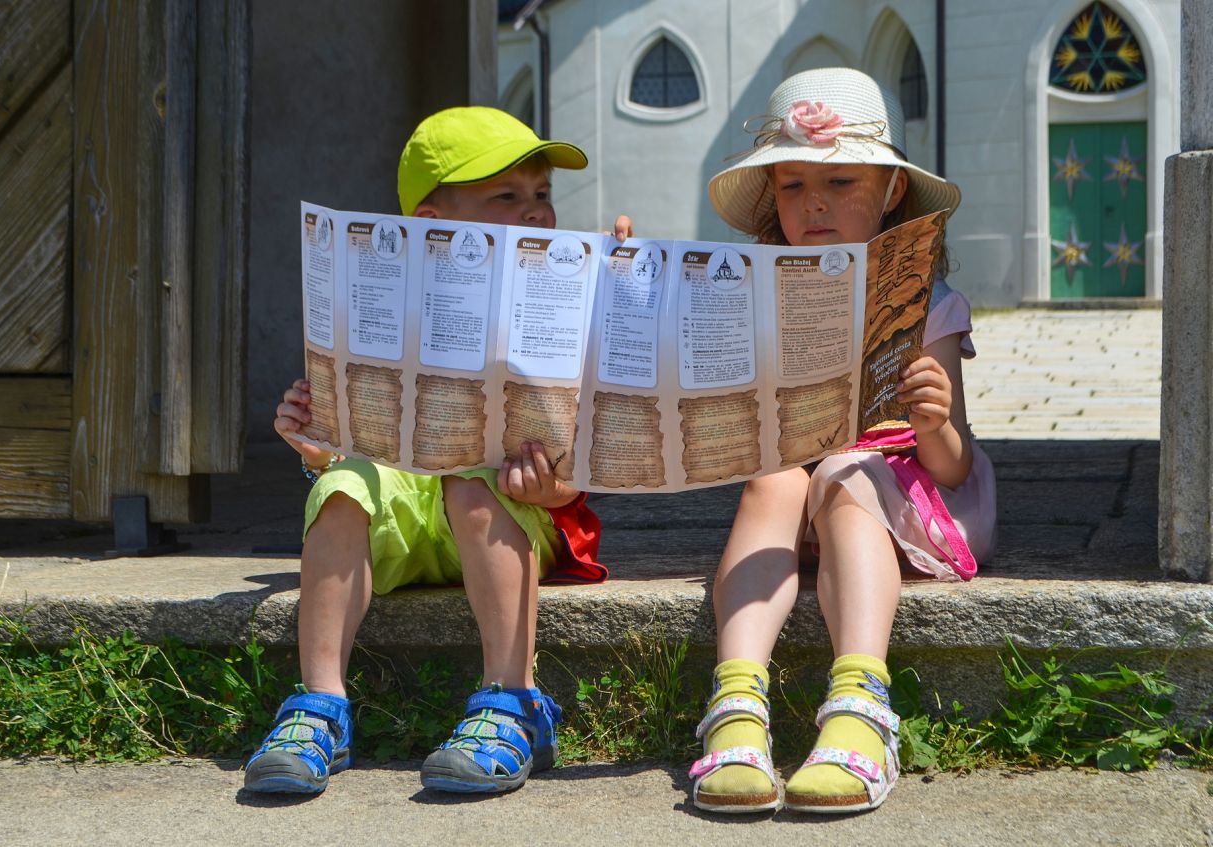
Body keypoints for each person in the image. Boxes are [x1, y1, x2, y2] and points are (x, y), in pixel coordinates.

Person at [244, 106, 632, 796]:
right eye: (506, 198)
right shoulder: (382, 302)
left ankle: (513, 701)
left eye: (542, 194)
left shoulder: (562, 289)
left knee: (472, 478)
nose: (537, 212)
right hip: (407, 516)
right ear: (430, 223)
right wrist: (316, 443)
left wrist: (620, 284)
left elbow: (589, 450)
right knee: (343, 485)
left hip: (508, 513)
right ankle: (320, 705)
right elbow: (351, 456)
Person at [689, 68, 997, 814]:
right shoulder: (759, 291)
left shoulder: (932, 305)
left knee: (844, 477)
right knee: (774, 479)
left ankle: (861, 702)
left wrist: (935, 420)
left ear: (892, 190)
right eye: (791, 187)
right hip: (801, 489)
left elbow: (952, 465)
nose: (814, 202)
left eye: (838, 179)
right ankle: (736, 702)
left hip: (909, 491)